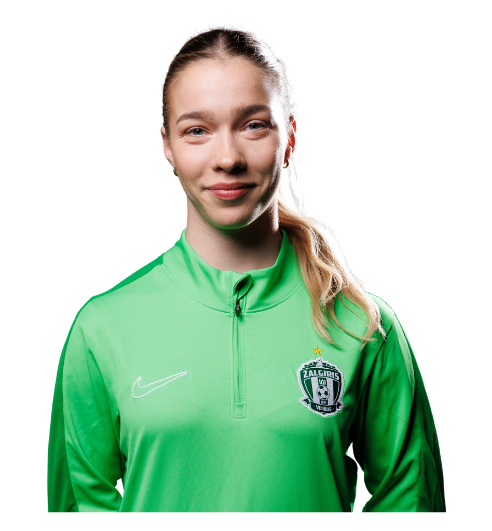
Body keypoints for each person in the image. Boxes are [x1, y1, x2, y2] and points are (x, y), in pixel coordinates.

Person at [46, 22, 446, 513]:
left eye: (253, 125)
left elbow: (410, 499)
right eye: (197, 130)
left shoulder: (365, 323)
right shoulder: (103, 327)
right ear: (166, 145)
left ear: (290, 136)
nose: (228, 158)